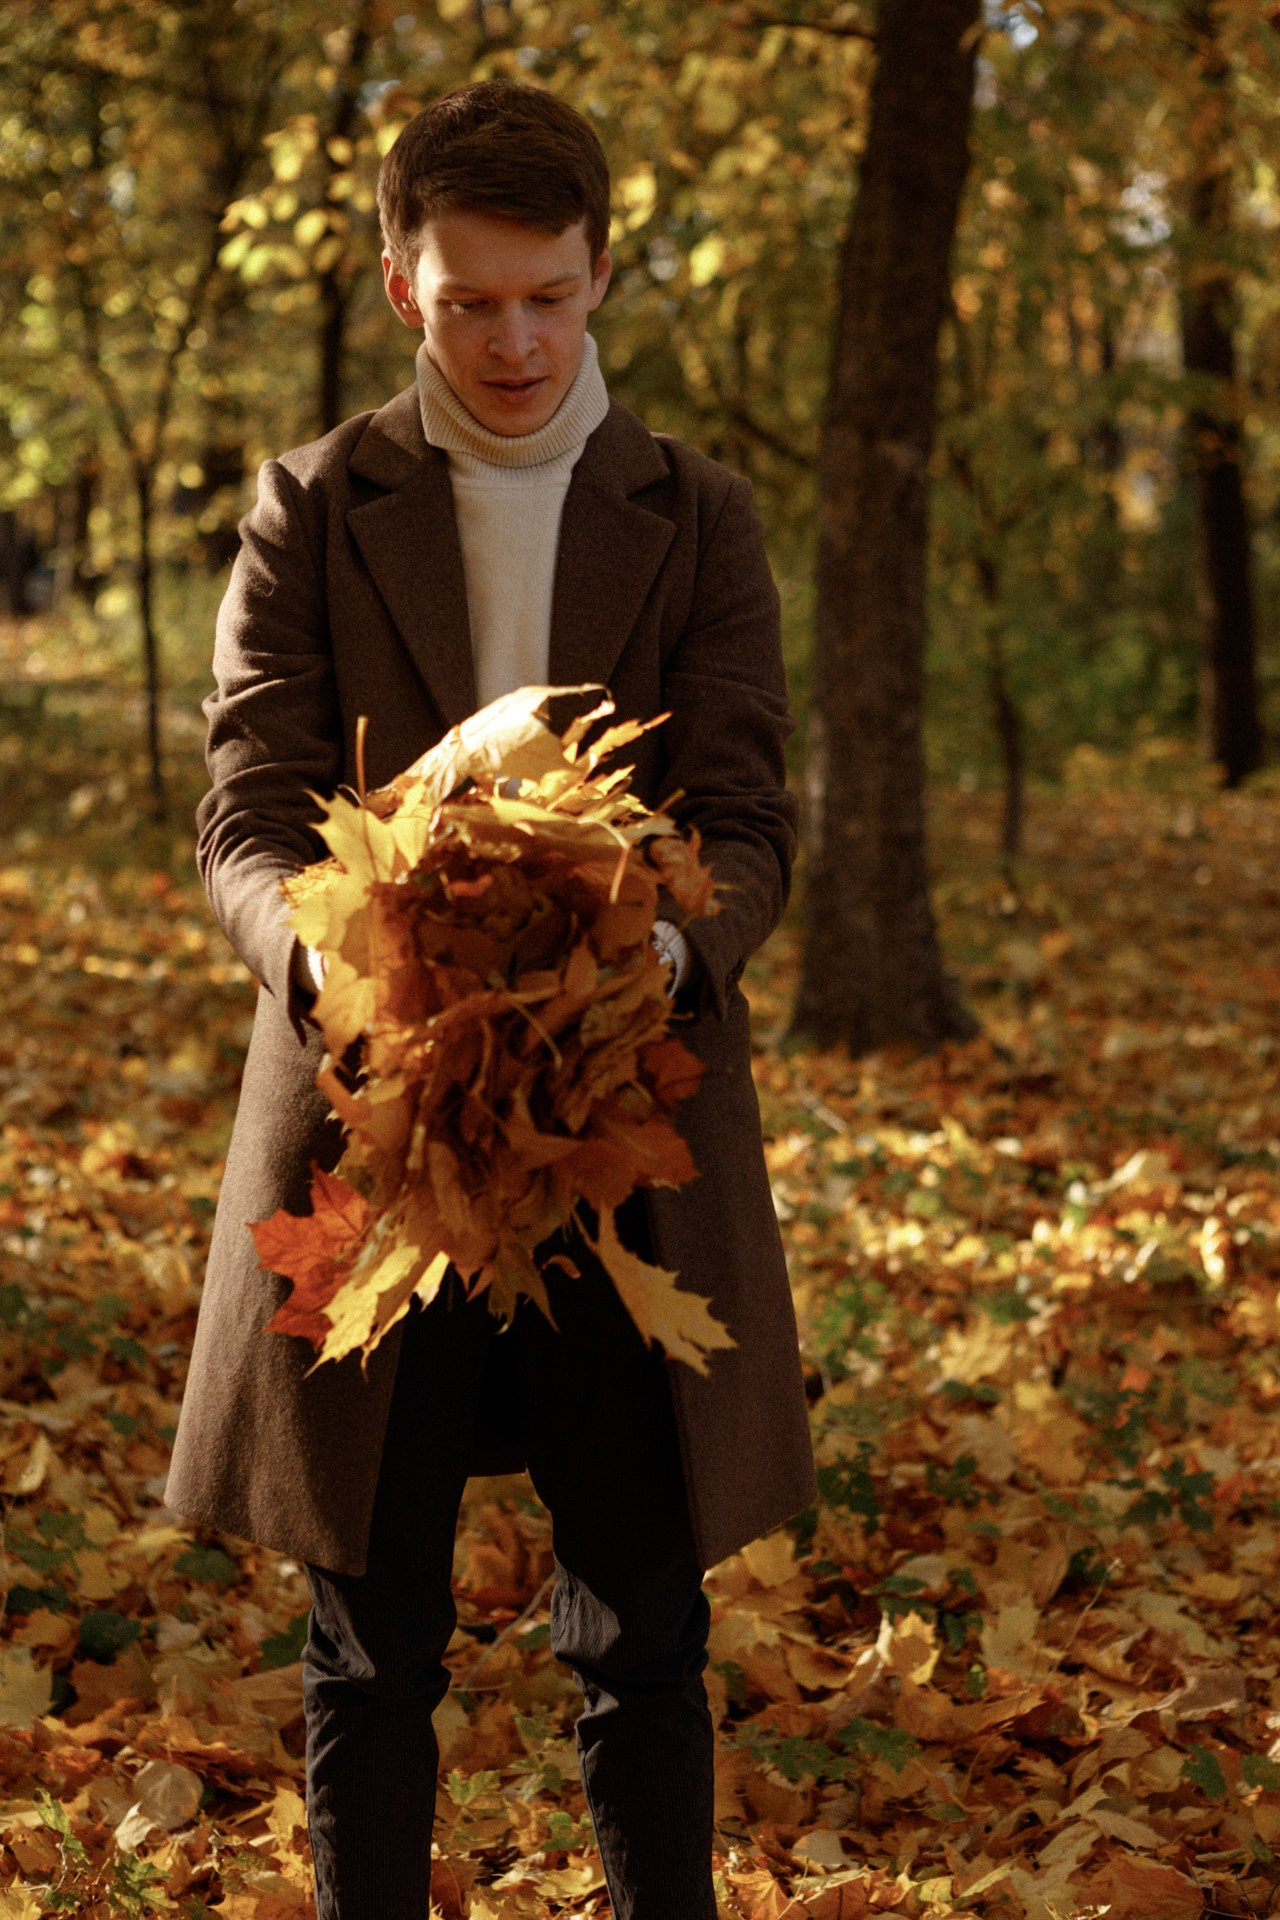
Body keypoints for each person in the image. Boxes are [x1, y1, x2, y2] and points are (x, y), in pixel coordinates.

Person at [165, 80, 814, 1920]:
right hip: (373, 1125)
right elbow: (244, 811)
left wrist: (656, 959)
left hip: (628, 1136)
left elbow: (751, 817)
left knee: (647, 1633)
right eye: (471, 302)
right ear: (399, 285)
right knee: (371, 1645)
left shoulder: (694, 515)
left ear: (602, 273)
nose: (515, 340)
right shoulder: (311, 503)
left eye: (549, 295)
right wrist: (336, 966)